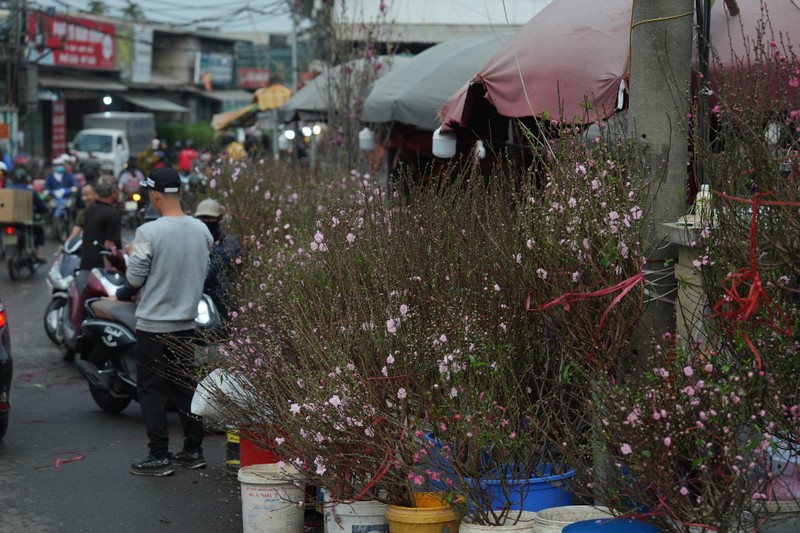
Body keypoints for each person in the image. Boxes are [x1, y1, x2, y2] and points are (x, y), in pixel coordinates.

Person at [113, 167, 212, 476]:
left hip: (154, 326)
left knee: (153, 390)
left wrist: (131, 252)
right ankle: (193, 451)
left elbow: (135, 277)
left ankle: (159, 456)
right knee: (186, 387)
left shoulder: (149, 232)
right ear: (179, 193)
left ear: (154, 195)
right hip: (186, 324)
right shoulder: (201, 230)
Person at [194, 198, 241, 320]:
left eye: (210, 218)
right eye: (202, 218)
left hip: (222, 298)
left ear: (219, 218)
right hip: (195, 298)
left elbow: (212, 269)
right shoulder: (190, 240)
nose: (206, 221)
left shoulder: (229, 242)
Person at [7, 167, 48, 262]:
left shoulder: (7, 191)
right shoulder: (31, 191)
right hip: (27, 220)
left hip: (9, 221)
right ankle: (39, 252)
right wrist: (45, 211)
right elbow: (41, 205)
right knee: (40, 230)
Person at [80, 179, 121, 270]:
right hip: (101, 268)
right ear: (113, 193)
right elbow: (109, 245)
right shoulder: (113, 213)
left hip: (86, 264)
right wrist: (110, 271)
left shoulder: (89, 209)